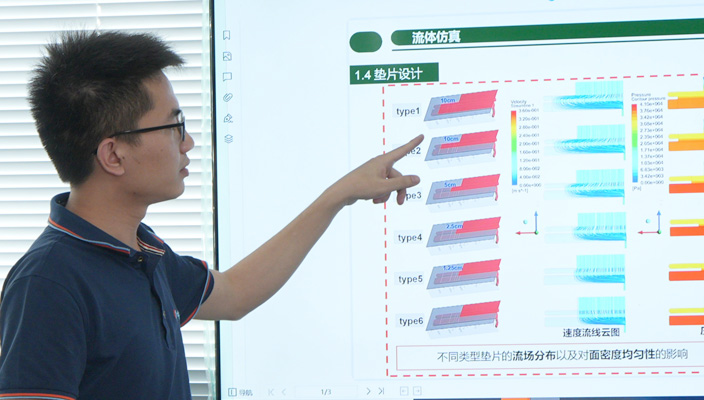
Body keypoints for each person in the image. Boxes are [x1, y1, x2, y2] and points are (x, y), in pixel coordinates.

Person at [0, 30, 422, 400]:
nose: (188, 143)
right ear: (113, 154)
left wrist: (340, 194)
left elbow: (236, 293)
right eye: (174, 126)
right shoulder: (48, 283)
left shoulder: (142, 253)